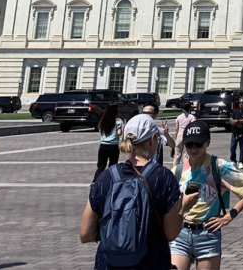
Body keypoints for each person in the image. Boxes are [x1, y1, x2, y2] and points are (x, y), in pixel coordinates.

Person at [80, 112, 187, 270]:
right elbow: (171, 233)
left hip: (109, 263)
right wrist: (183, 207)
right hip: (151, 262)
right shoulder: (163, 177)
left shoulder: (107, 177)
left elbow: (86, 234)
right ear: (152, 140)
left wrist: (117, 237)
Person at [171, 120, 243, 270]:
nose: (193, 148)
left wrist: (229, 216)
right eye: (189, 144)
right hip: (181, 235)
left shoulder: (218, 166)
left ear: (208, 143)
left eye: (198, 144)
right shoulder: (178, 170)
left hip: (208, 235)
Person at [95, 104, 124, 182]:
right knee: (113, 165)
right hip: (113, 146)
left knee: (101, 166)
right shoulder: (118, 121)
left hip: (103, 145)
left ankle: (95, 181)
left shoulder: (103, 120)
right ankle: (111, 181)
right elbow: (119, 133)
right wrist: (123, 128)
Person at [228, 98, 243, 170]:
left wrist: (236, 121)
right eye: (240, 102)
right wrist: (237, 122)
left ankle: (241, 162)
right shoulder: (235, 111)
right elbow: (230, 120)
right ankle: (233, 160)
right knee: (232, 147)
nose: (241, 104)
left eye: (242, 103)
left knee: (242, 148)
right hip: (235, 132)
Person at [174, 101, 197, 166]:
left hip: (179, 135)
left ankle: (174, 170)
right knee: (186, 155)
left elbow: (176, 129)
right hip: (187, 135)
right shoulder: (191, 117)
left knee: (177, 155)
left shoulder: (179, 117)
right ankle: (185, 169)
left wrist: (176, 138)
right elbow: (192, 126)